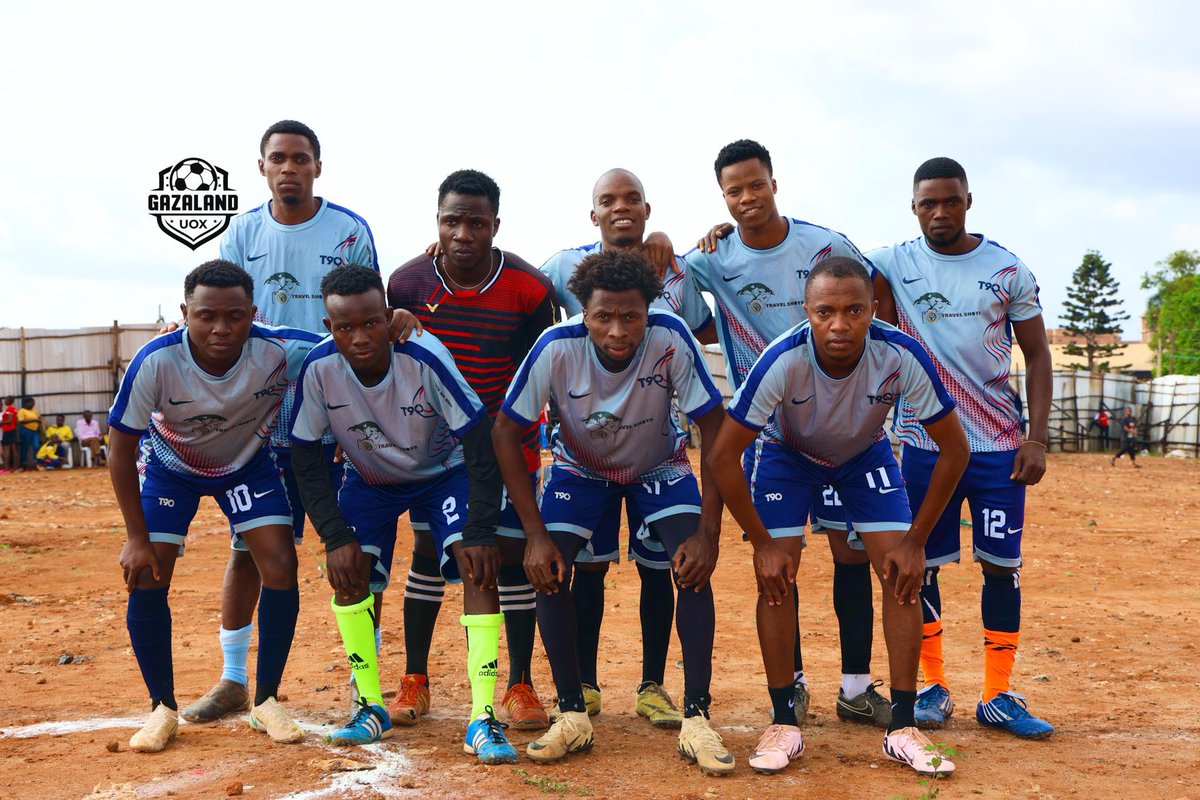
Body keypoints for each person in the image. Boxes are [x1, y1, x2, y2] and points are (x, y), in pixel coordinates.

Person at [707, 257, 969, 776]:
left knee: (901, 576)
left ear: (874, 309)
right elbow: (720, 456)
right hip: (788, 456)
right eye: (826, 311)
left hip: (864, 456)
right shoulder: (782, 359)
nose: (840, 324)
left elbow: (955, 450)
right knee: (777, 578)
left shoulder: (900, 354)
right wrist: (762, 544)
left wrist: (917, 540)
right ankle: (784, 721)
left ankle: (902, 726)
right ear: (807, 311)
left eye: (854, 310)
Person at [183, 119, 392, 725]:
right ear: (262, 167)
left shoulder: (350, 230)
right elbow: (222, 312)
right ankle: (232, 680)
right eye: (278, 158)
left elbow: (365, 312)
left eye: (301, 158)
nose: (289, 168)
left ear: (317, 167)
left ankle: (365, 683)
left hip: (335, 412)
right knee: (249, 548)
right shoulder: (242, 231)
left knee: (353, 553)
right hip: (261, 414)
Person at [494, 250, 734, 775]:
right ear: (583, 312)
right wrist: (534, 534)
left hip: (659, 465)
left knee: (691, 568)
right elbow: (505, 431)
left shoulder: (670, 338)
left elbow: (715, 429)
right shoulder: (557, 347)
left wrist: (709, 532)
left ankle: (696, 716)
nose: (618, 330)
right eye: (603, 316)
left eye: (631, 316)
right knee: (551, 569)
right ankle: (573, 713)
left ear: (650, 311)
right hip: (581, 467)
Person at [685, 140, 887, 725]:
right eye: (734, 190)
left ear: (774, 182)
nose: (747, 198)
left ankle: (855, 686)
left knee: (851, 553)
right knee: (780, 560)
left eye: (755, 184)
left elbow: (877, 301)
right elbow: (691, 319)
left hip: (846, 430)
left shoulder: (826, 245)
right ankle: (792, 683)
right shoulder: (711, 260)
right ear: (722, 196)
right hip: (770, 436)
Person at [290, 264, 518, 761]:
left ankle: (482, 717)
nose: (361, 336)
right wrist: (333, 536)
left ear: (388, 317)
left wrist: (479, 529)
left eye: (371, 322)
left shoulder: (424, 356)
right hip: (371, 479)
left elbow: (479, 442)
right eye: (345, 327)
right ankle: (370, 705)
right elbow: (305, 458)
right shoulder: (319, 368)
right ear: (330, 328)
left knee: (477, 565)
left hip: (444, 472)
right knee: (348, 572)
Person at [871, 156, 1055, 738]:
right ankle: (931, 687)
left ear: (968, 201)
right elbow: (814, 257)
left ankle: (998, 694)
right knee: (919, 570)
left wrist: (1038, 438)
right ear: (914, 207)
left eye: (951, 200)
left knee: (1002, 570)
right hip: (924, 449)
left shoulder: (1007, 269)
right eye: (929, 202)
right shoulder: (892, 263)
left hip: (1000, 451)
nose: (941, 212)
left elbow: (1040, 355)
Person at [108, 260, 322, 752]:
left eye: (234, 316)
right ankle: (161, 707)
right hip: (170, 469)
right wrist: (137, 539)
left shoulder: (280, 348)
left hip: (246, 466)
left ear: (253, 313)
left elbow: (350, 342)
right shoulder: (156, 360)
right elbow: (120, 452)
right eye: (206, 316)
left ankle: (266, 701)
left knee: (281, 562)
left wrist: (396, 319)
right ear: (185, 313)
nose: (220, 328)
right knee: (148, 573)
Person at [538, 168, 716, 727]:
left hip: (654, 451)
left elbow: (703, 327)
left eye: (632, 199)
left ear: (647, 209)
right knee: (586, 568)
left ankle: (653, 686)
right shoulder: (562, 268)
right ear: (592, 213)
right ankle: (584, 686)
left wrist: (710, 237)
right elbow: (517, 290)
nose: (621, 208)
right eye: (607, 200)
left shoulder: (675, 270)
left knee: (660, 567)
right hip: (585, 451)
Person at [387, 170, 555, 731]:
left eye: (475, 222)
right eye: (451, 221)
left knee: (509, 559)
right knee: (429, 552)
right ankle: (415, 677)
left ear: (495, 226)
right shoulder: (407, 285)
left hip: (507, 446)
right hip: (437, 452)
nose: (462, 233)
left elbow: (535, 378)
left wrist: (510, 441)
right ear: (436, 223)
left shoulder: (529, 289)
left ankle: (520, 684)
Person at [17, 397, 42, 471]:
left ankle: (36, 463)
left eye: (34, 404)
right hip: (26, 430)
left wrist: (39, 422)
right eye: (31, 404)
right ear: (26, 403)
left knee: (36, 446)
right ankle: (24, 465)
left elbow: (39, 417)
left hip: (35, 431)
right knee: (25, 447)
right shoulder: (22, 411)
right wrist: (33, 420)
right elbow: (21, 422)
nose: (33, 405)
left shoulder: (34, 410)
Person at [1, 396, 17, 473]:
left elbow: (9, 420)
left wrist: (1, 423)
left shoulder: (9, 409)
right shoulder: (14, 408)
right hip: (12, 429)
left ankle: (6, 468)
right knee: (13, 448)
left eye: (5, 400)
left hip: (8, 430)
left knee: (6, 449)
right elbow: (15, 420)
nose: (4, 401)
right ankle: (15, 467)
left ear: (9, 400)